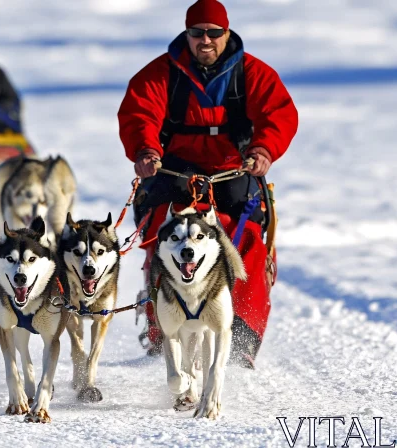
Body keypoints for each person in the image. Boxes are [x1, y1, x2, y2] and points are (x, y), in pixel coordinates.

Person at [118, 0, 298, 367]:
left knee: (247, 244)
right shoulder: (160, 74)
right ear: (187, 35)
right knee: (163, 239)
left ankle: (241, 340)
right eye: (197, 32)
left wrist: (264, 149)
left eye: (214, 33)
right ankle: (161, 336)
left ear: (226, 33)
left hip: (233, 172)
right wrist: (146, 150)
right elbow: (140, 113)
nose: (206, 40)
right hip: (173, 173)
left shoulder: (253, 73)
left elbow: (279, 114)